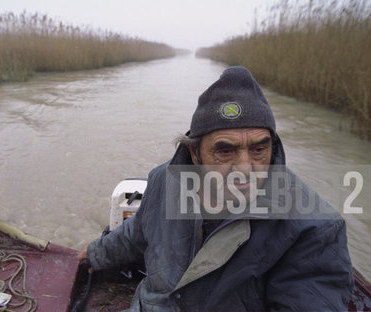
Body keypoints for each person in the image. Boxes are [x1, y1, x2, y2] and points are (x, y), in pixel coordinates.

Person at [78, 66, 354, 311]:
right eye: (225, 150)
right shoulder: (165, 180)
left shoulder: (313, 226)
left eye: (259, 148)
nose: (246, 169)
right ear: (195, 154)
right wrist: (95, 254)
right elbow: (138, 233)